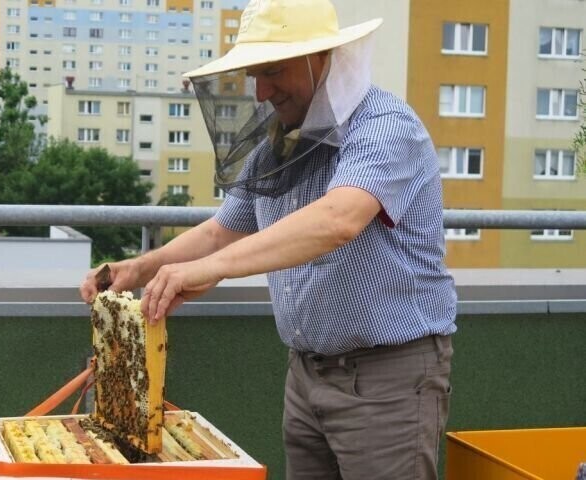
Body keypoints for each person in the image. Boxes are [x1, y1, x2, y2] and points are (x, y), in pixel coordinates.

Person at [81, 0, 457, 478]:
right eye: (255, 74)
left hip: (387, 379)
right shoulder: (278, 145)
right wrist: (139, 267)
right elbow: (222, 231)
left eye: (274, 71)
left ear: (321, 58)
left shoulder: (385, 126)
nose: (262, 91)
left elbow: (337, 219)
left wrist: (210, 270)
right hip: (304, 375)